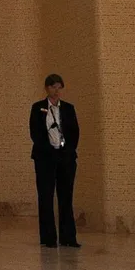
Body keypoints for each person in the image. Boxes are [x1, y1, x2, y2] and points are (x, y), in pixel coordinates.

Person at [29, 74, 80, 248]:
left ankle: (68, 237)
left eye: (59, 87)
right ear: (47, 88)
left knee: (66, 197)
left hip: (65, 158)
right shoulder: (38, 108)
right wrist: (49, 150)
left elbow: (74, 132)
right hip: (45, 159)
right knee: (46, 197)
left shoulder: (68, 108)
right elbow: (35, 133)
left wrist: (67, 151)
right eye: (53, 87)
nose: (56, 91)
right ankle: (48, 238)